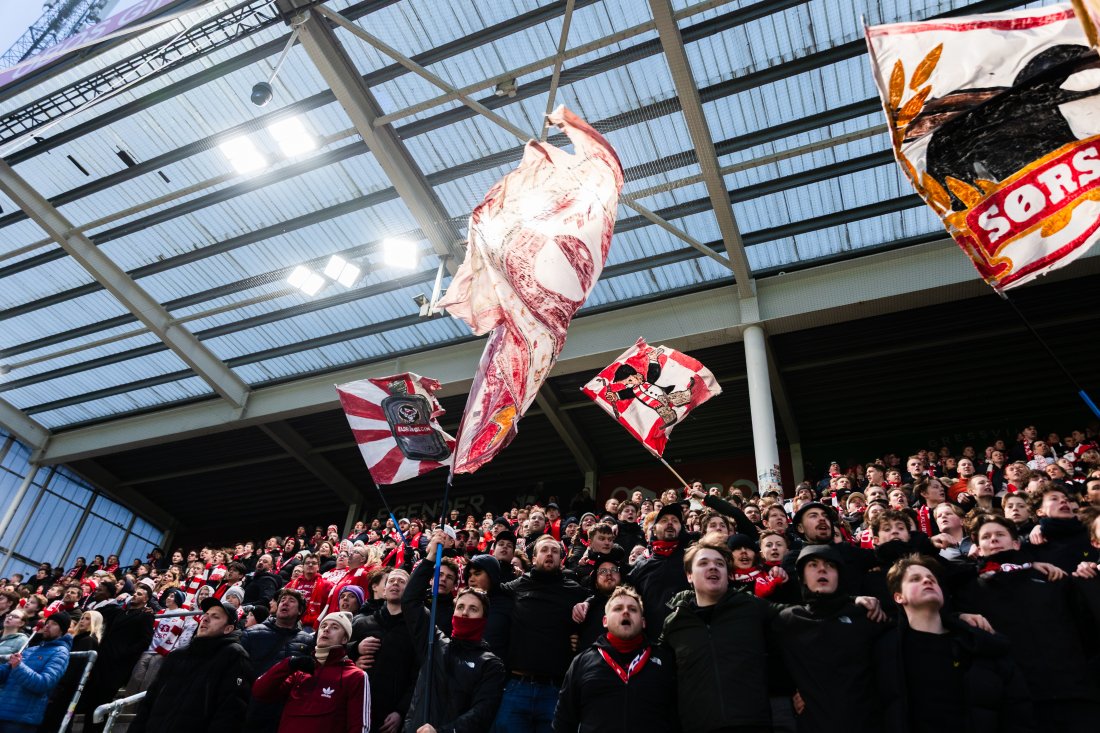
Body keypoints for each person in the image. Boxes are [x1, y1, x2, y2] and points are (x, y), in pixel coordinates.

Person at [955, 514, 1100, 729]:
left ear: (1015, 542)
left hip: (1072, 692)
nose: (993, 539)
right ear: (977, 548)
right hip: (1017, 699)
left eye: (1000, 534)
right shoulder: (967, 589)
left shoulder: (1052, 579)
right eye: (986, 537)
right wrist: (958, 616)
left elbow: (1085, 628)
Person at [876, 554, 1034, 733]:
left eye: (932, 579)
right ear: (899, 597)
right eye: (915, 579)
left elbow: (1015, 706)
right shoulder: (886, 649)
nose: (927, 581)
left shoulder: (978, 641)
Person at [493, 534, 588, 733]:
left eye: (555, 551)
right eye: (544, 550)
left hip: (555, 691)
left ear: (561, 559)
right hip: (517, 687)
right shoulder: (519, 584)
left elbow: (600, 600)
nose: (549, 554)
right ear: (534, 558)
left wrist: (587, 606)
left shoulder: (574, 590)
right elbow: (491, 590)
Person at [554, 586, 678, 733]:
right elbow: (563, 722)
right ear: (604, 621)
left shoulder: (664, 660)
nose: (625, 612)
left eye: (633, 609)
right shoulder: (582, 662)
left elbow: (677, 718)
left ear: (643, 622)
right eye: (618, 608)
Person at [401, 564, 505, 732]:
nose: (464, 613)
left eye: (473, 609)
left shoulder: (491, 664)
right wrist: (429, 560)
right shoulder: (434, 643)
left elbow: (482, 712)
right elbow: (410, 601)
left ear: (483, 619)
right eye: (461, 607)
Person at [129, 597, 253, 733]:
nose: (205, 619)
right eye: (206, 615)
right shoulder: (178, 654)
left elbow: (231, 714)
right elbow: (150, 700)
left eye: (215, 617)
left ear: (228, 628)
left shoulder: (234, 656)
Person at [253, 612, 368, 733]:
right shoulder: (300, 671)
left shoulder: (355, 676)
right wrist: (287, 664)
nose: (326, 629)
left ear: (345, 639)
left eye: (335, 627)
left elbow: (359, 726)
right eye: (323, 626)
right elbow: (260, 692)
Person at [346, 568, 418, 733]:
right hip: (355, 707)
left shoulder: (415, 630)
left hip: (389, 716)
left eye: (401, 582)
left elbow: (417, 674)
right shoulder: (361, 623)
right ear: (383, 591)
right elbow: (336, 657)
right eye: (391, 581)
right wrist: (355, 650)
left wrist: (401, 711)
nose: (395, 584)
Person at [76, 586, 155, 733]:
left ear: (146, 599)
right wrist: (119, 601)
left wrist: (124, 654)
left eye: (139, 594)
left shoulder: (145, 616)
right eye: (134, 593)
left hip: (118, 666)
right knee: (90, 700)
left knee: (102, 701)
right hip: (102, 660)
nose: (134, 595)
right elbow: (101, 612)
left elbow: (145, 641)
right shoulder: (119, 611)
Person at [240, 588, 315, 733]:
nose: (284, 603)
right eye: (282, 600)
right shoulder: (252, 633)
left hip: (284, 710)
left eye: (291, 601)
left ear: (300, 611)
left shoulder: (308, 641)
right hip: (252, 706)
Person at [627, 504, 690, 640]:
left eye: (675, 520)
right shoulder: (641, 564)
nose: (670, 523)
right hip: (652, 641)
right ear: (654, 531)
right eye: (664, 520)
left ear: (681, 528)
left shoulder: (692, 559)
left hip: (688, 638)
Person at [0, 610, 71, 731]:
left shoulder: (61, 652)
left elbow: (43, 684)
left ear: (62, 630)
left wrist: (18, 666)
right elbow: (4, 675)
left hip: (21, 719)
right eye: (47, 622)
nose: (47, 625)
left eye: (54, 623)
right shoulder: (30, 650)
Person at [38, 610, 103, 733]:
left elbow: (75, 667)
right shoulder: (77, 639)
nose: (82, 620)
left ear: (95, 622)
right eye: (82, 617)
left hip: (67, 689)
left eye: (88, 619)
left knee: (57, 722)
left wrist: (60, 687)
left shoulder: (88, 640)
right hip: (64, 687)